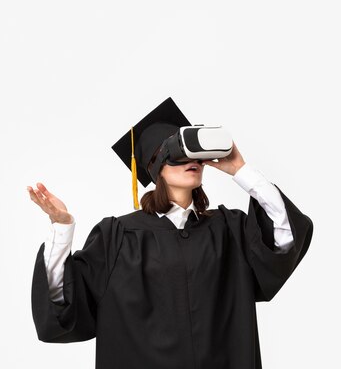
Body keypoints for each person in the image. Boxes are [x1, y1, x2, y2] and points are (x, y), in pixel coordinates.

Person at [28, 97, 313, 369]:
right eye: (176, 151)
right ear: (155, 166)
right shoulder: (116, 238)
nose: (191, 159)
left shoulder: (229, 230)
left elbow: (284, 239)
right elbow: (62, 304)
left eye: (193, 152)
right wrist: (62, 226)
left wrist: (240, 170)